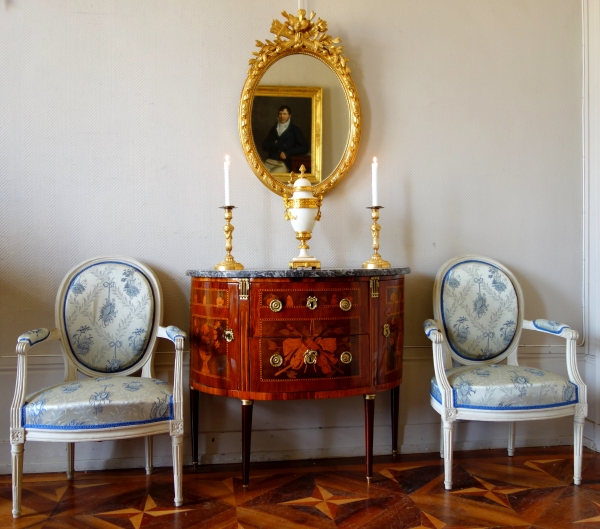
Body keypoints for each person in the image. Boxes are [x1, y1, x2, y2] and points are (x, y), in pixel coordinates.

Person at [262, 106, 308, 173]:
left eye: (284, 114)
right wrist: (273, 143)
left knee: (271, 178)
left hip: (283, 164)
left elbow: (305, 148)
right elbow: (264, 145)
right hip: (269, 162)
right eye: (280, 114)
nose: (282, 116)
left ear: (289, 115)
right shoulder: (274, 128)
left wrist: (288, 152)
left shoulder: (294, 130)